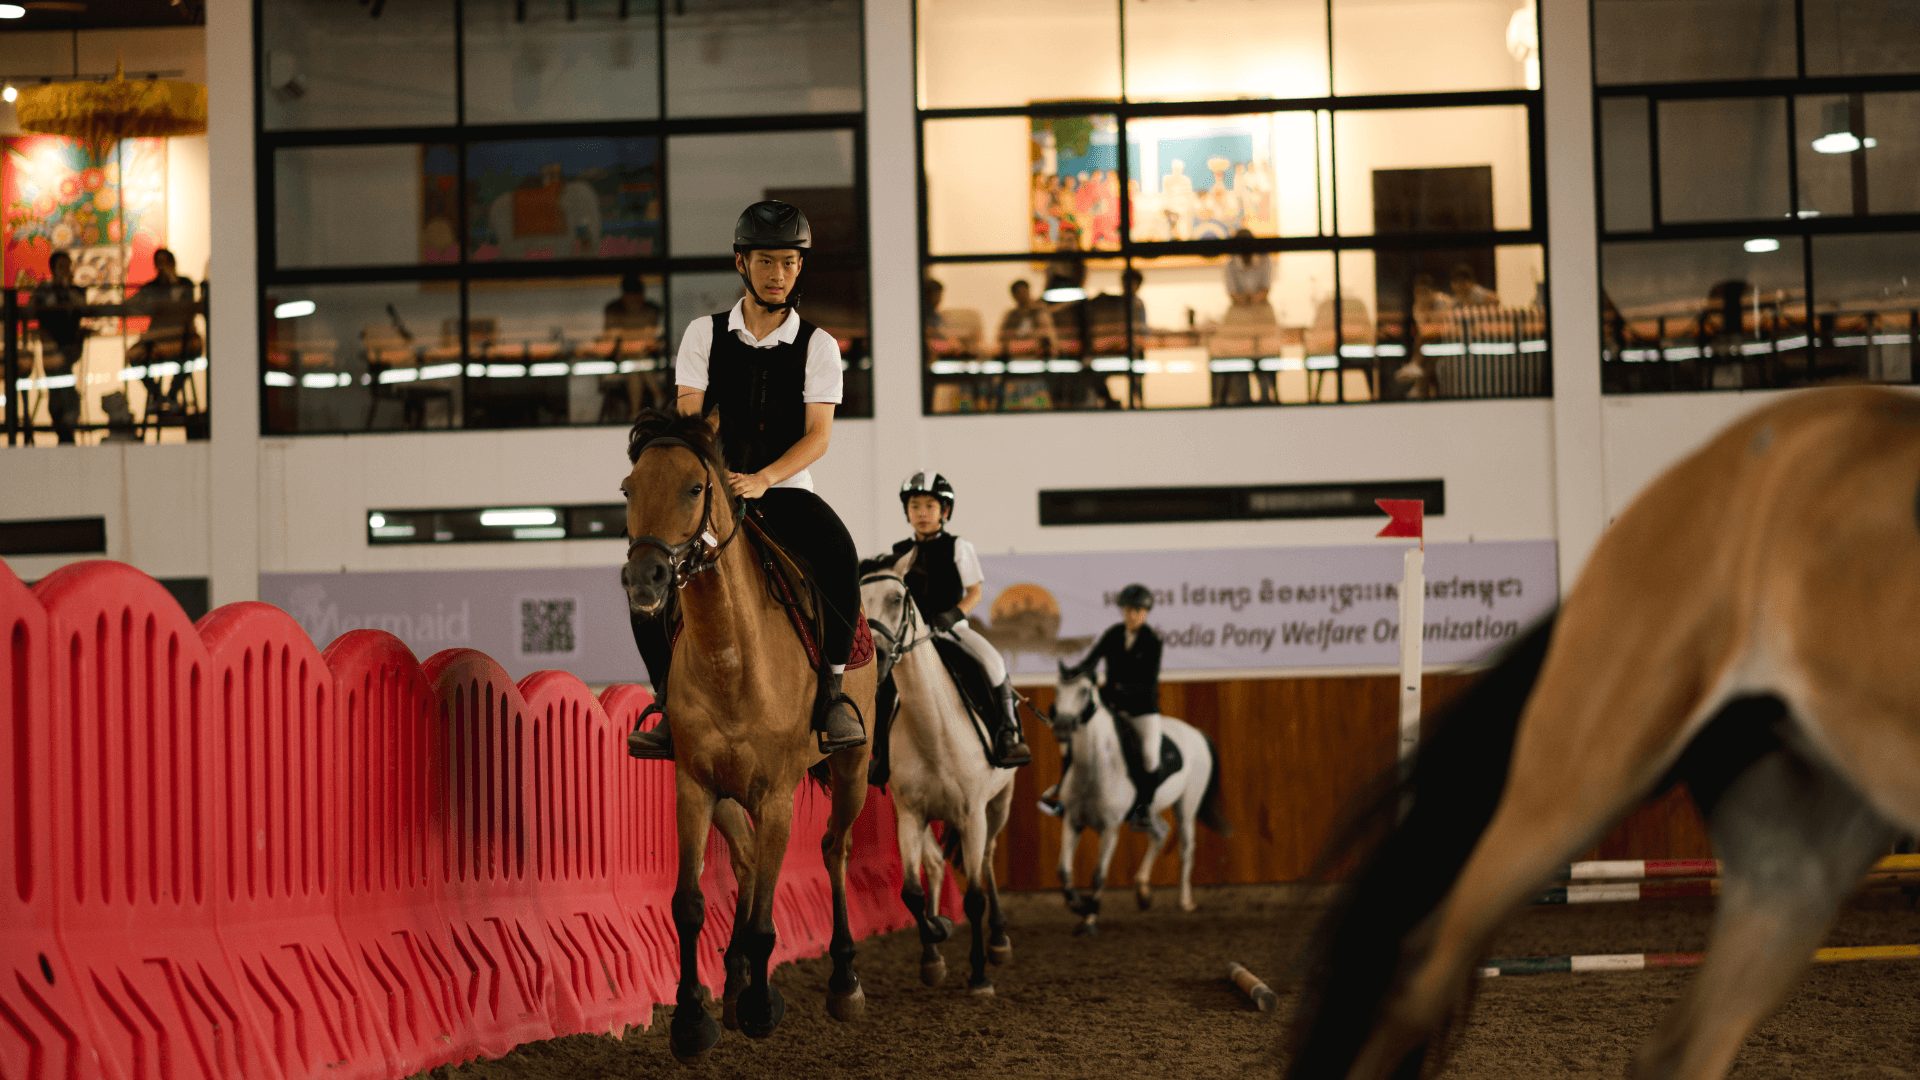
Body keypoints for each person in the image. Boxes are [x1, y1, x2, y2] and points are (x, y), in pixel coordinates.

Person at [626, 199, 866, 759]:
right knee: (647, 572)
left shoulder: (820, 345)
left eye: (788, 262)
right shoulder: (702, 335)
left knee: (839, 559)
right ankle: (666, 701)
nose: (778, 274)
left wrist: (762, 478)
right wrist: (711, 479)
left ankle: (832, 692)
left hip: (783, 490)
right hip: (710, 495)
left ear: (799, 267)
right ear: (741, 263)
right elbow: (690, 419)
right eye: (766, 262)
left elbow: (818, 438)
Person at [883, 471, 1031, 767]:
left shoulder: (959, 547)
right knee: (881, 678)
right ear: (907, 512)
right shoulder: (899, 552)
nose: (922, 513)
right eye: (915, 507)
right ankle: (878, 754)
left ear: (944, 511)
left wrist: (951, 615)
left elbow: (975, 592)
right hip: (911, 637)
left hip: (951, 629)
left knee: (993, 662)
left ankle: (1007, 735)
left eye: (929, 506)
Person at [1040, 583, 1167, 830]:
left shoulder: (1153, 642)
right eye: (1128, 610)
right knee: (1074, 743)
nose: (1131, 615)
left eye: (1137, 611)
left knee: (1150, 756)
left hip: (1143, 710)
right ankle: (1063, 798)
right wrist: (1072, 675)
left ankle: (1144, 808)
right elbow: (1090, 661)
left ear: (1145, 613)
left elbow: (1147, 682)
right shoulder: (1113, 634)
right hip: (1114, 709)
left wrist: (1112, 687)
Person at [29, 251, 88, 444]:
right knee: (57, 387)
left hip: (70, 346)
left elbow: (83, 307)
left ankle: (66, 427)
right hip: (50, 347)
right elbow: (32, 309)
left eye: (67, 265)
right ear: (53, 268)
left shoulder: (76, 290)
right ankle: (65, 430)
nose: (65, 269)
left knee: (61, 381)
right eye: (61, 266)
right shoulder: (43, 291)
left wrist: (67, 288)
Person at [997, 279, 1055, 349]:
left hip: (1037, 351)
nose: (1022, 295)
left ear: (1028, 291)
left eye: (1024, 292)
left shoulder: (1039, 311)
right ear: (1014, 295)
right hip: (1016, 352)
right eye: (1018, 293)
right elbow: (1001, 335)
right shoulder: (1011, 315)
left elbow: (1046, 333)